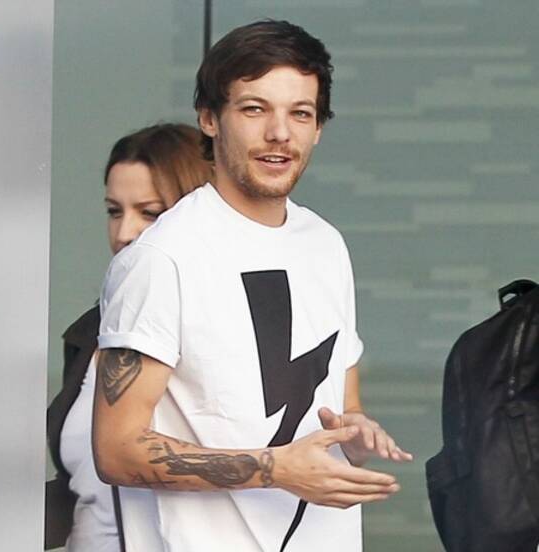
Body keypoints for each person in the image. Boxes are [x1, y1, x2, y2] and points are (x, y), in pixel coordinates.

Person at [94, 20, 413, 552]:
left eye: (300, 113)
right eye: (254, 109)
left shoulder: (326, 244)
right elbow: (116, 450)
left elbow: (343, 399)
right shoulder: (162, 258)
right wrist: (276, 469)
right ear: (209, 119)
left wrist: (355, 429)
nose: (280, 133)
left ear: (318, 128)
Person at [45, 123, 212, 551]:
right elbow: (81, 487)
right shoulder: (92, 333)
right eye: (114, 211)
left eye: (149, 212)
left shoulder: (224, 337)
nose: (124, 233)